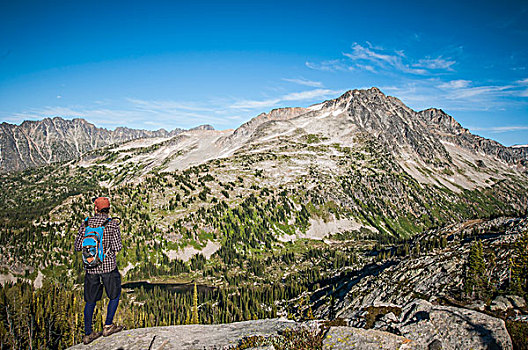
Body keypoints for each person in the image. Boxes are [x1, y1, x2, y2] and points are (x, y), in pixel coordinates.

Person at [74, 196, 124, 345]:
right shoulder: (112, 224)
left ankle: (88, 334)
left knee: (90, 300)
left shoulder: (86, 224)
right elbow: (117, 247)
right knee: (114, 295)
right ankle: (108, 326)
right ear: (108, 209)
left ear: (95, 209)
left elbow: (78, 246)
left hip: (91, 268)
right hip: (108, 267)